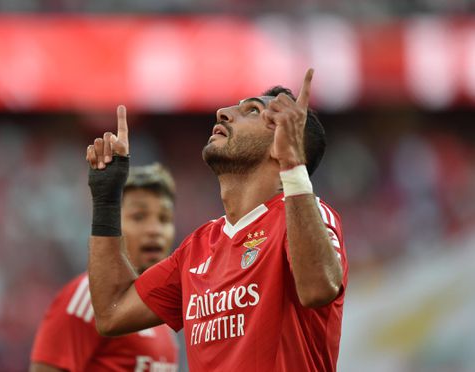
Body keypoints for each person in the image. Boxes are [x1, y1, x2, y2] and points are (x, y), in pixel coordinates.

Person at [85, 69, 348, 371]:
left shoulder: (307, 216)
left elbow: (318, 289)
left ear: (282, 143)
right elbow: (111, 313)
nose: (223, 113)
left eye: (251, 111)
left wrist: (293, 164)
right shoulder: (198, 247)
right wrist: (106, 200)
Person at [30, 164, 179, 372]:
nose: (155, 230)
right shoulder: (85, 297)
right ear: (113, 224)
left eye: (164, 219)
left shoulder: (161, 315)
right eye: (139, 216)